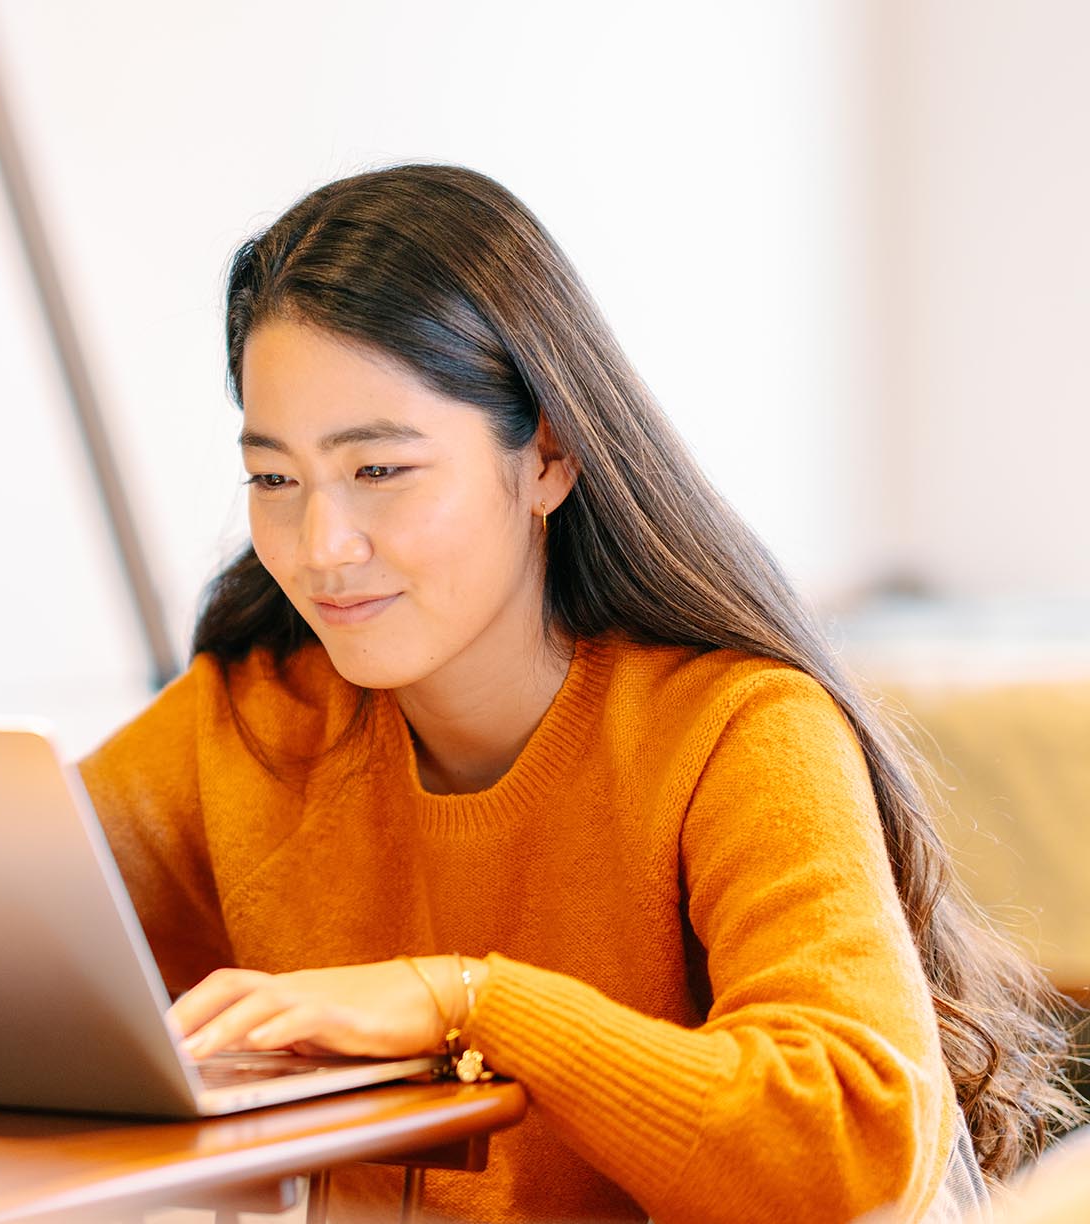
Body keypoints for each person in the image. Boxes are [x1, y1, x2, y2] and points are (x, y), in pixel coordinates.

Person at [76, 164, 1079, 1223]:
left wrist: (468, 1001)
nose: (320, 547)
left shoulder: (735, 728)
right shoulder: (254, 719)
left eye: (378, 472)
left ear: (547, 454)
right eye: (275, 481)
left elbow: (849, 1144)